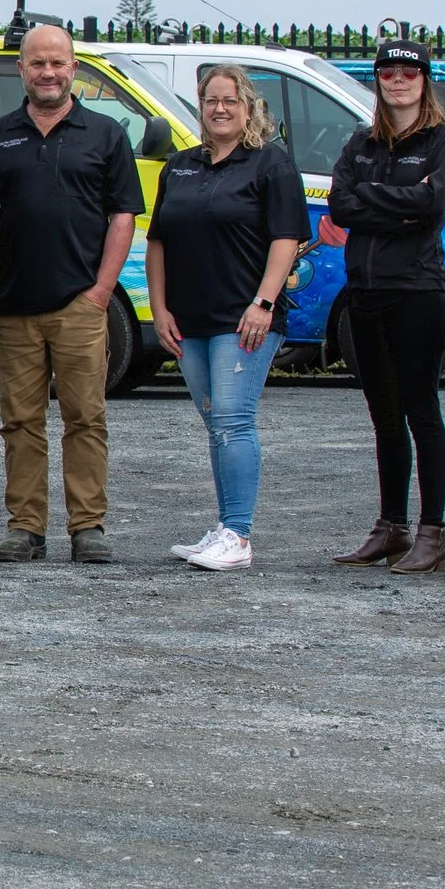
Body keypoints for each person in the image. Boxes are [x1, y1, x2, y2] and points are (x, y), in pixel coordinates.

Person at [0, 24, 144, 564]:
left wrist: (100, 292)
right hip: (16, 302)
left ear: (74, 69)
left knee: (84, 417)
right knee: (19, 421)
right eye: (37, 63)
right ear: (21, 70)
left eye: (58, 63)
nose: (48, 72)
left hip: (79, 301)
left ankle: (87, 526)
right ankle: (25, 527)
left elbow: (123, 217)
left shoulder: (106, 134)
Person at [146, 66, 310, 572]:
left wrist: (263, 303)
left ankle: (238, 534)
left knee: (234, 421)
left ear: (248, 107)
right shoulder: (180, 166)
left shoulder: (269, 164)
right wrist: (158, 307)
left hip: (243, 319)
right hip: (188, 318)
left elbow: (286, 239)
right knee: (216, 421)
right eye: (211, 100)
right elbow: (158, 242)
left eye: (230, 101)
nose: (220, 109)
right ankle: (223, 526)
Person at [321, 35, 445, 573]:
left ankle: (433, 533)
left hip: (418, 294)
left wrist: (371, 201)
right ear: (378, 80)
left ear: (424, 80)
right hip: (365, 294)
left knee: (421, 411)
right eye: (387, 72)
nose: (397, 80)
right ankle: (391, 527)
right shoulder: (360, 143)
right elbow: (341, 203)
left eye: (408, 72)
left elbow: (432, 203)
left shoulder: (444, 141)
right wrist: (395, 204)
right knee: (384, 417)